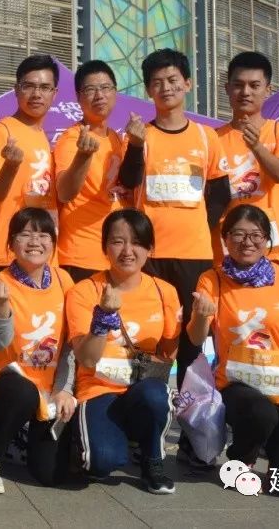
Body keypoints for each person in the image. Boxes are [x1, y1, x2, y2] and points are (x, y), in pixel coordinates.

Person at [188, 204, 279, 496]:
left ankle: (273, 449)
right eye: (238, 234)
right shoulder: (212, 279)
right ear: (225, 239)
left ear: (267, 239)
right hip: (238, 388)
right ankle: (242, 458)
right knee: (260, 413)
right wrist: (200, 315)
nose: (247, 242)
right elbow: (196, 338)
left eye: (256, 235)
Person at [117, 49, 230, 391]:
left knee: (192, 337)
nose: (165, 88)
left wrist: (197, 227)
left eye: (172, 80)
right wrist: (135, 145)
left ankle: (190, 409)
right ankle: (148, 408)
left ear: (188, 84)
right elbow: (128, 181)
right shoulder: (138, 135)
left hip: (194, 254)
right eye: (157, 82)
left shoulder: (207, 137)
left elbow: (220, 194)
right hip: (149, 253)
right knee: (151, 333)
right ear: (148, 90)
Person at [65, 209, 180, 494]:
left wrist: (196, 320)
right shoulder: (84, 291)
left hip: (143, 386)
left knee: (155, 395)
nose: (128, 251)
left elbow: (168, 354)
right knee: (101, 463)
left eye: (137, 242)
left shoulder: (164, 291)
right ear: (105, 247)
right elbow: (87, 359)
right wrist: (103, 316)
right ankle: (110, 438)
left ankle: (152, 458)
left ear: (150, 248)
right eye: (118, 241)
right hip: (98, 388)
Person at [0, 207, 76, 495]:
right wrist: (2, 306)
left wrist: (64, 389)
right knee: (22, 393)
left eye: (44, 235)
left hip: (51, 391)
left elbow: (70, 345)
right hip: (8, 383)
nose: (35, 242)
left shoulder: (64, 281)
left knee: (51, 475)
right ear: (11, 243)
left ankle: (21, 440)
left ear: (53, 243)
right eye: (25, 234)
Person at [214, 52, 279, 266]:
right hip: (226, 251)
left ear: (268, 90)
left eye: (254, 85)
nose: (245, 92)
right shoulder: (212, 138)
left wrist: (256, 147)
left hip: (274, 251)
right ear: (227, 88)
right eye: (238, 85)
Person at [0, 54, 57, 270]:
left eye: (45, 87)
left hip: (41, 252)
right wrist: (10, 166)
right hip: (9, 253)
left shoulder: (42, 136)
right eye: (28, 86)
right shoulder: (2, 131)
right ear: (16, 89)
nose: (36, 94)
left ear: (54, 94)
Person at [54, 60, 127, 281]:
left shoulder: (117, 139)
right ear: (79, 97)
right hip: (81, 253)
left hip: (116, 253)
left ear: (115, 92)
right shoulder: (71, 139)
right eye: (90, 89)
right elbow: (64, 192)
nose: (99, 95)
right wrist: (83, 156)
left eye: (105, 88)